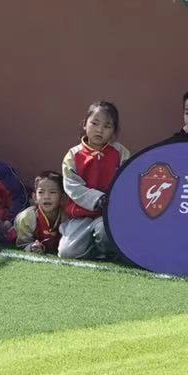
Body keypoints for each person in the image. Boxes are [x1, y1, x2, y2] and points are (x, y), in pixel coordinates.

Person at [61, 101, 129, 261]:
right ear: (85, 124)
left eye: (107, 126)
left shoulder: (121, 153)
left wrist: (112, 202)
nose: (99, 130)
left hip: (108, 215)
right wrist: (97, 198)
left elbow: (127, 181)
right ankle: (92, 247)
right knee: (67, 253)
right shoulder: (73, 155)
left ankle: (105, 249)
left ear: (113, 131)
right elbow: (72, 186)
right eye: (95, 123)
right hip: (81, 215)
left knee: (105, 233)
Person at [15, 172, 66, 255]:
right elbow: (23, 243)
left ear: (62, 197)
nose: (46, 197)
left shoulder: (67, 217)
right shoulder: (27, 217)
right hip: (16, 230)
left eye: (52, 192)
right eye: (41, 192)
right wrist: (32, 246)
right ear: (35, 197)